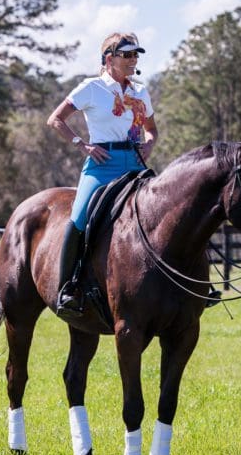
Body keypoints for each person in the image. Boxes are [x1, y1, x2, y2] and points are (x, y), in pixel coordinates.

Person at [47, 31, 158, 317]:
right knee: (80, 216)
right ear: (110, 59)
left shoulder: (140, 91)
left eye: (136, 55)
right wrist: (81, 144)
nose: (134, 60)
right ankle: (68, 288)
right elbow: (55, 119)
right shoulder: (91, 88)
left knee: (166, 209)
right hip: (102, 163)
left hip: (134, 162)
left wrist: (149, 144)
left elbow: (152, 130)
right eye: (128, 54)